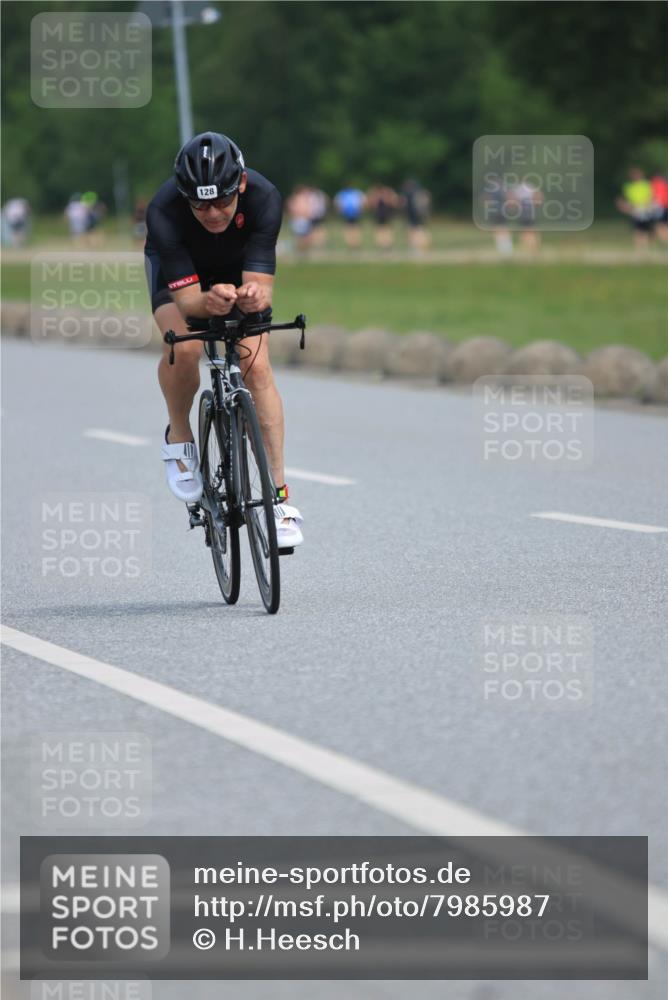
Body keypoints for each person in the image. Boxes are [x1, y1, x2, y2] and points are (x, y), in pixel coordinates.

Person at [144, 131, 303, 549]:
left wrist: (252, 296)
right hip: (181, 277)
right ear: (184, 196)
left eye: (222, 201)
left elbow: (261, 287)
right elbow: (189, 303)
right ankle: (179, 436)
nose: (212, 212)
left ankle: (280, 499)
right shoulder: (163, 210)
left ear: (241, 185)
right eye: (199, 203)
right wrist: (207, 301)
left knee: (257, 365)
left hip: (237, 268)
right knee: (186, 343)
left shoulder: (265, 198)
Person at [615, 167, 657, 249]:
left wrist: (649, 205)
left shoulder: (647, 184)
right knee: (638, 230)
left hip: (648, 210)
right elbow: (623, 199)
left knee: (650, 230)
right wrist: (625, 207)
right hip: (636, 211)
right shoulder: (628, 186)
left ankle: (650, 246)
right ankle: (640, 249)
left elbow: (652, 197)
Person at [480, 173, 513, 255]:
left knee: (497, 228)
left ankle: (503, 248)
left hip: (495, 210)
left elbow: (485, 198)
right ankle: (507, 247)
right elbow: (509, 197)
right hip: (503, 210)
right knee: (503, 227)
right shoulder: (503, 187)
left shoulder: (490, 187)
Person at [366, 184, 400, 249]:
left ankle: (384, 244)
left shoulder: (375, 194)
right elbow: (394, 202)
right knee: (385, 229)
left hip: (381, 214)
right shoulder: (387, 192)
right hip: (385, 214)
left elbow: (370, 204)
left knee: (381, 229)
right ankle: (386, 244)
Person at [401, 179, 431, 251]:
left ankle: (416, 247)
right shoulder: (421, 192)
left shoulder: (408, 193)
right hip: (420, 215)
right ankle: (422, 246)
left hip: (413, 215)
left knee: (413, 231)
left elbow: (404, 204)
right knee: (419, 230)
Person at [650, 173, 668, 244]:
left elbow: (657, 198)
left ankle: (664, 240)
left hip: (660, 208)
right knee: (662, 225)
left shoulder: (656, 185)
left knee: (659, 226)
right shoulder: (665, 185)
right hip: (663, 207)